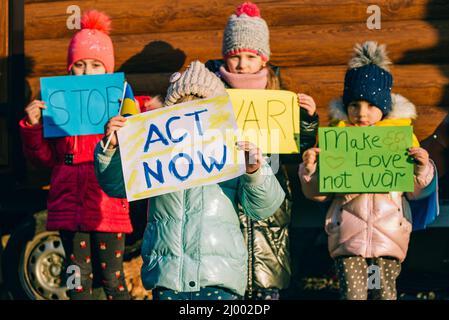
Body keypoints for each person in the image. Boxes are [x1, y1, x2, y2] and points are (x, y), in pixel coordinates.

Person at [94, 60, 286, 300]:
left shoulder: (235, 151)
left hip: (219, 277)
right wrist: (112, 150)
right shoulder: (155, 154)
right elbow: (116, 185)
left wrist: (255, 171)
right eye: (182, 110)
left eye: (199, 109)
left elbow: (264, 207)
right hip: (167, 276)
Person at [18, 10, 158, 300]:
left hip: (107, 205)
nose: (86, 71)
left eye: (95, 65)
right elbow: (44, 160)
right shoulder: (58, 107)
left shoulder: (122, 104)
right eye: (79, 64)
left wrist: (141, 116)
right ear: (70, 69)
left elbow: (139, 137)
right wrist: (33, 127)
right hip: (67, 204)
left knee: (113, 278)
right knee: (76, 280)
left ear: (107, 70)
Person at [299, 41, 437, 300]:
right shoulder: (337, 138)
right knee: (353, 294)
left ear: (384, 108)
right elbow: (319, 194)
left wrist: (421, 167)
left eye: (371, 106)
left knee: (385, 293)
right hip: (347, 237)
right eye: (354, 105)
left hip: (389, 237)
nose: (362, 113)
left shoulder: (402, 140)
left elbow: (417, 192)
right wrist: (310, 169)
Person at [205, 1, 318, 300]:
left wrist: (305, 122)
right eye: (235, 56)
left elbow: (297, 151)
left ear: (263, 60)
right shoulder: (210, 92)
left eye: (251, 57)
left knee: (269, 261)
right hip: (225, 192)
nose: (242, 64)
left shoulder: (278, 93)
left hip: (273, 195)